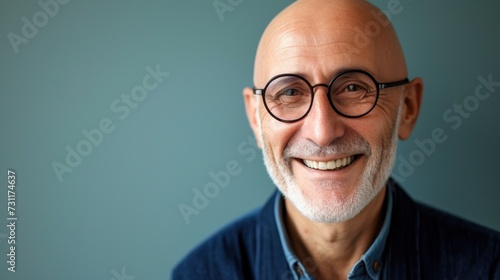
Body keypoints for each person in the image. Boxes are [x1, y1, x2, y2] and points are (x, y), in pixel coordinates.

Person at [172, 0, 500, 279]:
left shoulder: (489, 268)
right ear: (257, 118)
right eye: (289, 92)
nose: (323, 131)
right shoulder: (200, 273)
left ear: (408, 108)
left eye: (354, 88)